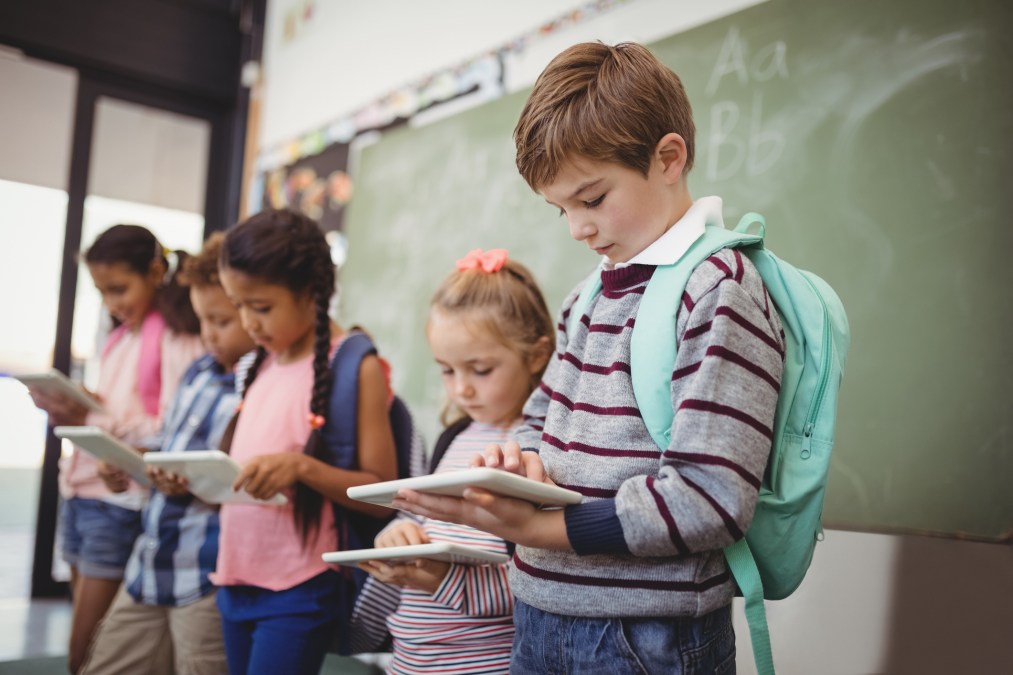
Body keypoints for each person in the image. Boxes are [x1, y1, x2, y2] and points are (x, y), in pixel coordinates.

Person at [391, 42, 787, 673]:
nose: (576, 227)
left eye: (592, 199)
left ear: (668, 158)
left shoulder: (719, 290)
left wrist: (542, 531)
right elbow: (541, 419)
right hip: (540, 611)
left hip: (645, 633)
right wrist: (517, 461)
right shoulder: (587, 296)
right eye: (561, 209)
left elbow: (710, 498)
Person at [211, 208, 398, 675]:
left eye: (261, 307)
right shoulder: (257, 365)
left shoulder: (354, 364)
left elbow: (384, 493)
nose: (248, 323)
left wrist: (301, 467)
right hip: (234, 576)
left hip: (299, 586)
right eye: (238, 306)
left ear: (311, 294)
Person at [358, 249, 554, 675]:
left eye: (480, 370)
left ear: (537, 356)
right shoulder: (453, 437)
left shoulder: (541, 451)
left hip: (482, 665)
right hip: (410, 661)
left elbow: (543, 584)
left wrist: (441, 579)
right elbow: (429, 523)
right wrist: (399, 534)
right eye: (446, 370)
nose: (461, 389)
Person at [28, 224, 203, 673]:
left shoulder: (174, 333)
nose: (113, 303)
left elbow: (177, 425)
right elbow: (117, 410)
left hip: (121, 501)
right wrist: (76, 406)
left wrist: (94, 419)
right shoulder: (121, 334)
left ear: (156, 270)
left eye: (120, 288)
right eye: (103, 293)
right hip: (83, 490)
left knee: (87, 651)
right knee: (87, 643)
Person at [79, 232, 253, 675]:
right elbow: (169, 444)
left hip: (205, 571)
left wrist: (190, 476)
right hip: (151, 559)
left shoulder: (255, 385)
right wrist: (132, 460)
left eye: (220, 321)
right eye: (202, 320)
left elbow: (242, 473)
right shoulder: (198, 371)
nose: (209, 335)